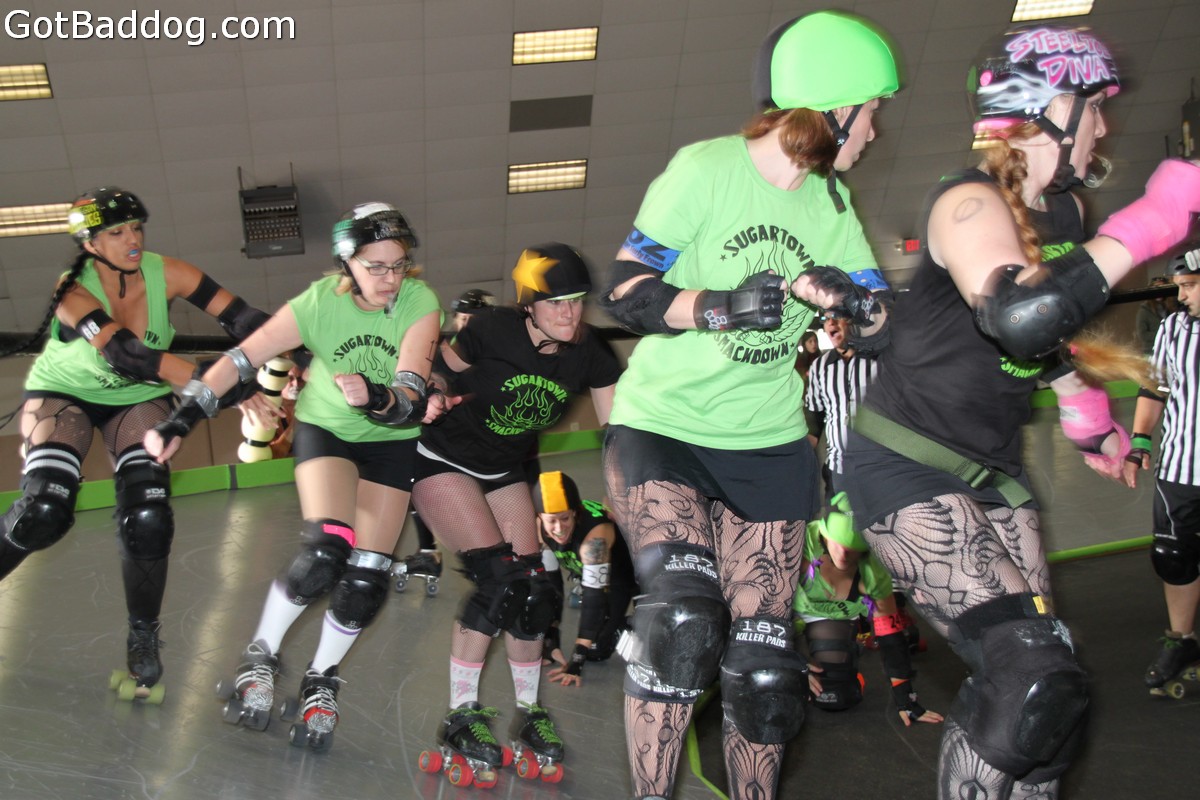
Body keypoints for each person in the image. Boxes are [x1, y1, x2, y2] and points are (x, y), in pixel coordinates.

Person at [839, 23, 1200, 799]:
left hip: (994, 475)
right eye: (1093, 107)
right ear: (1050, 109)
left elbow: (1047, 335)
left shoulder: (1063, 213)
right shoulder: (966, 202)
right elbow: (1018, 317)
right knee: (1028, 673)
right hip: (905, 465)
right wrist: (1152, 221)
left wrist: (1083, 406)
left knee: (1052, 705)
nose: (1103, 126)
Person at [597, 11, 898, 800]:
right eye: (872, 110)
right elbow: (624, 289)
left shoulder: (833, 204)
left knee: (766, 667)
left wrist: (854, 302)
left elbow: (886, 323)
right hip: (664, 428)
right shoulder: (705, 169)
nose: (875, 129)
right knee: (683, 626)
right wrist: (718, 306)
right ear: (835, 107)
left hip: (767, 445)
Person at [145, 202, 446, 746]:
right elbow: (242, 358)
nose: (390, 278)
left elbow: (409, 396)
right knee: (327, 551)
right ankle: (259, 657)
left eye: (399, 264)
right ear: (348, 263)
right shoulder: (316, 303)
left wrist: (376, 396)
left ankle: (321, 680)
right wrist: (180, 420)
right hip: (328, 431)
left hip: (390, 444)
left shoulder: (419, 302)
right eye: (376, 266)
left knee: (367, 578)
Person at [0, 187, 270, 700]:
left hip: (137, 400)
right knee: (43, 511)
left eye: (137, 228)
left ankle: (142, 634)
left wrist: (297, 355)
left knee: (148, 515)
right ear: (89, 244)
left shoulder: (171, 272)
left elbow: (245, 320)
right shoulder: (71, 290)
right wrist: (220, 384)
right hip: (65, 396)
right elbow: (127, 355)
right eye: (116, 232)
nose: (132, 240)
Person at [411, 243, 621, 786]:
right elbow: (441, 372)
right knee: (499, 580)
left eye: (576, 301)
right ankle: (461, 715)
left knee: (534, 590)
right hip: (442, 460)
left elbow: (617, 433)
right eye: (556, 303)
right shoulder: (491, 329)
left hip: (505, 469)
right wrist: (434, 393)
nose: (569, 314)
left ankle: (528, 712)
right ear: (529, 304)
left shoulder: (591, 353)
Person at [794, 493, 942, 726]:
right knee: (777, 683)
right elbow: (761, 603)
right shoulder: (798, 544)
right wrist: (789, 659)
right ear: (823, 533)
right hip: (789, 613)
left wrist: (906, 699)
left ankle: (854, 665)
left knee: (834, 696)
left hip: (838, 616)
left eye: (852, 549)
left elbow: (889, 634)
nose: (844, 555)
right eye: (838, 544)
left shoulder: (872, 568)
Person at [1125, 247, 1200, 692]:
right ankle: (1182, 640)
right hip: (1180, 466)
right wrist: (1139, 442)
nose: (1181, 296)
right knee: (1173, 557)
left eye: (1190, 286)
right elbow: (1155, 388)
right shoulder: (1172, 328)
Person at [395, 287, 497, 595]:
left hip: (486, 446)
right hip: (444, 442)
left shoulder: (497, 355)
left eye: (474, 319)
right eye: (462, 318)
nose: (466, 325)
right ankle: (429, 551)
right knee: (415, 481)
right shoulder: (444, 353)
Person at [533, 470, 637, 687]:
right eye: (551, 521)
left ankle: (635, 623)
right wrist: (551, 637)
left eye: (565, 518)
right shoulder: (538, 530)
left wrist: (577, 660)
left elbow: (594, 598)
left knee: (595, 650)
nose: (559, 529)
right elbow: (551, 586)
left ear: (576, 512)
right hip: (589, 574)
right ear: (540, 518)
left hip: (627, 576)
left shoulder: (595, 539)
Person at [1134, 275, 1177, 355]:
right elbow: (1142, 334)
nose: (1159, 292)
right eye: (1156, 288)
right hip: (1151, 351)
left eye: (1162, 288)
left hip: (1170, 350)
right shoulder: (1144, 311)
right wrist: (1163, 334)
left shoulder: (1171, 308)